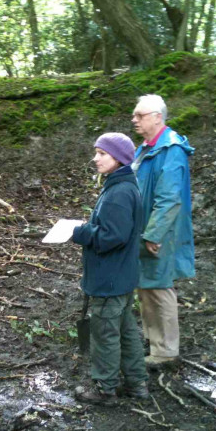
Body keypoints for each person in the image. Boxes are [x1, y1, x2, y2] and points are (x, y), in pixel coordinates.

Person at [71, 133, 148, 405]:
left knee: (105, 334)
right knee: (127, 332)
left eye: (102, 154)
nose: (96, 158)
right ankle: (137, 385)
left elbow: (112, 237)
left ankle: (105, 390)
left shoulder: (118, 192)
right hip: (123, 276)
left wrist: (78, 232)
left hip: (110, 278)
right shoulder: (126, 184)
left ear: (118, 158)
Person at [130, 94, 195, 369]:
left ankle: (166, 351)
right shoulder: (146, 147)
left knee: (159, 287)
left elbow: (169, 198)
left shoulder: (171, 150)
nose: (134, 119)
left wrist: (153, 234)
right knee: (146, 286)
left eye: (139, 115)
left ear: (157, 117)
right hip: (144, 228)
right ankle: (153, 340)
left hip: (160, 231)